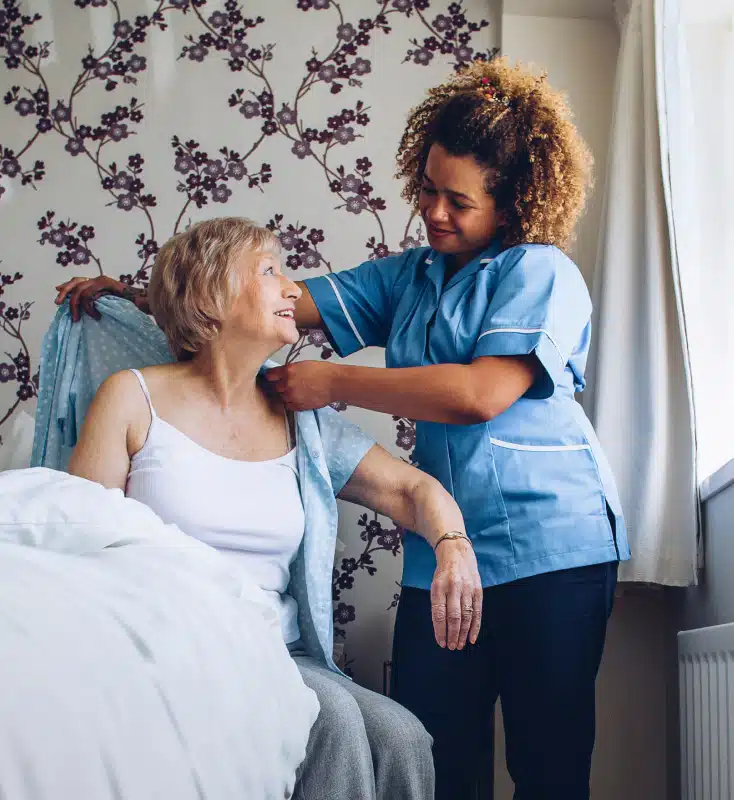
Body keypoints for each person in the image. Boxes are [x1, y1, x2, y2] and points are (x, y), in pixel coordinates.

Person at [57, 58, 630, 800]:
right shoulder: (411, 277)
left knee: (548, 767)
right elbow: (256, 302)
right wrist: (140, 297)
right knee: (430, 751)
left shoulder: (541, 273)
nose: (434, 210)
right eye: (427, 187)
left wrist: (333, 382)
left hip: (552, 544)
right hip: (440, 551)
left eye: (459, 200)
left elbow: (482, 393)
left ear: (512, 203)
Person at [65, 216, 487, 800]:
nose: (293, 289)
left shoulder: (301, 419)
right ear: (211, 294)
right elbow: (78, 543)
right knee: (332, 722)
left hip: (278, 652)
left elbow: (414, 491)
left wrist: (452, 546)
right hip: (173, 651)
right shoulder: (132, 397)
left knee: (403, 737)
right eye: (271, 271)